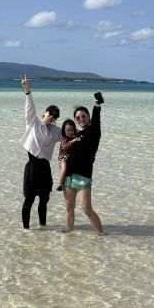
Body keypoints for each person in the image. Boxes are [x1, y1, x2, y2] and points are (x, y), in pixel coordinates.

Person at [18, 75, 61, 229]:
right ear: (45, 113)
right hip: (32, 166)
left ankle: (43, 227)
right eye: (50, 114)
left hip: (44, 168)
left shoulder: (56, 131)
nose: (51, 118)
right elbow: (30, 107)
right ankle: (26, 230)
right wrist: (27, 89)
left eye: (54, 117)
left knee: (44, 199)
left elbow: (70, 133)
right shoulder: (33, 122)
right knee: (29, 200)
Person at [62, 92, 105, 234]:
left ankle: (101, 234)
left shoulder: (94, 132)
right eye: (78, 117)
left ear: (88, 116)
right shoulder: (77, 134)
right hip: (69, 175)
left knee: (86, 209)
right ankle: (68, 232)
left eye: (83, 116)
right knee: (69, 207)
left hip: (83, 176)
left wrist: (96, 105)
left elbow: (97, 119)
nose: (81, 119)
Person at [55, 119, 80, 192]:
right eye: (68, 130)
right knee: (64, 169)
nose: (70, 132)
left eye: (72, 130)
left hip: (68, 158)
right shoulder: (64, 139)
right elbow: (65, 147)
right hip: (63, 157)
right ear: (64, 131)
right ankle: (60, 184)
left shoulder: (74, 137)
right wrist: (73, 141)